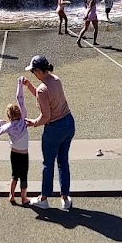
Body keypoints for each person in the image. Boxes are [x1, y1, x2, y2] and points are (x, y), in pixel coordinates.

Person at [22, 55, 74, 211]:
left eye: (33, 72)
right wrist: (30, 86)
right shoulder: (56, 79)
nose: (33, 74)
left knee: (48, 163)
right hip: (69, 123)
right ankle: (65, 198)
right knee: (63, 162)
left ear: (38, 70)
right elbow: (43, 96)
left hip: (54, 129)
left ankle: (44, 198)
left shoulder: (42, 89)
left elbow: (46, 116)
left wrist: (33, 123)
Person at [0, 76, 30, 205]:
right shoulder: (23, 119)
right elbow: (20, 98)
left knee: (14, 174)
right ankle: (24, 198)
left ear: (9, 117)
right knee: (24, 175)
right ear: (19, 113)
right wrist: (20, 83)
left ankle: (11, 195)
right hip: (24, 153)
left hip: (14, 153)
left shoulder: (8, 127)